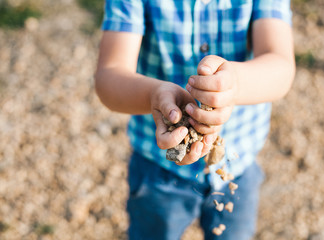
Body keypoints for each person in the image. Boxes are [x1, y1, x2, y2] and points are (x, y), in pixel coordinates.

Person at [95, 0, 295, 239]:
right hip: (157, 166)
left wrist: (236, 84)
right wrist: (153, 94)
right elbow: (109, 77)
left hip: (236, 164)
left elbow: (281, 66)